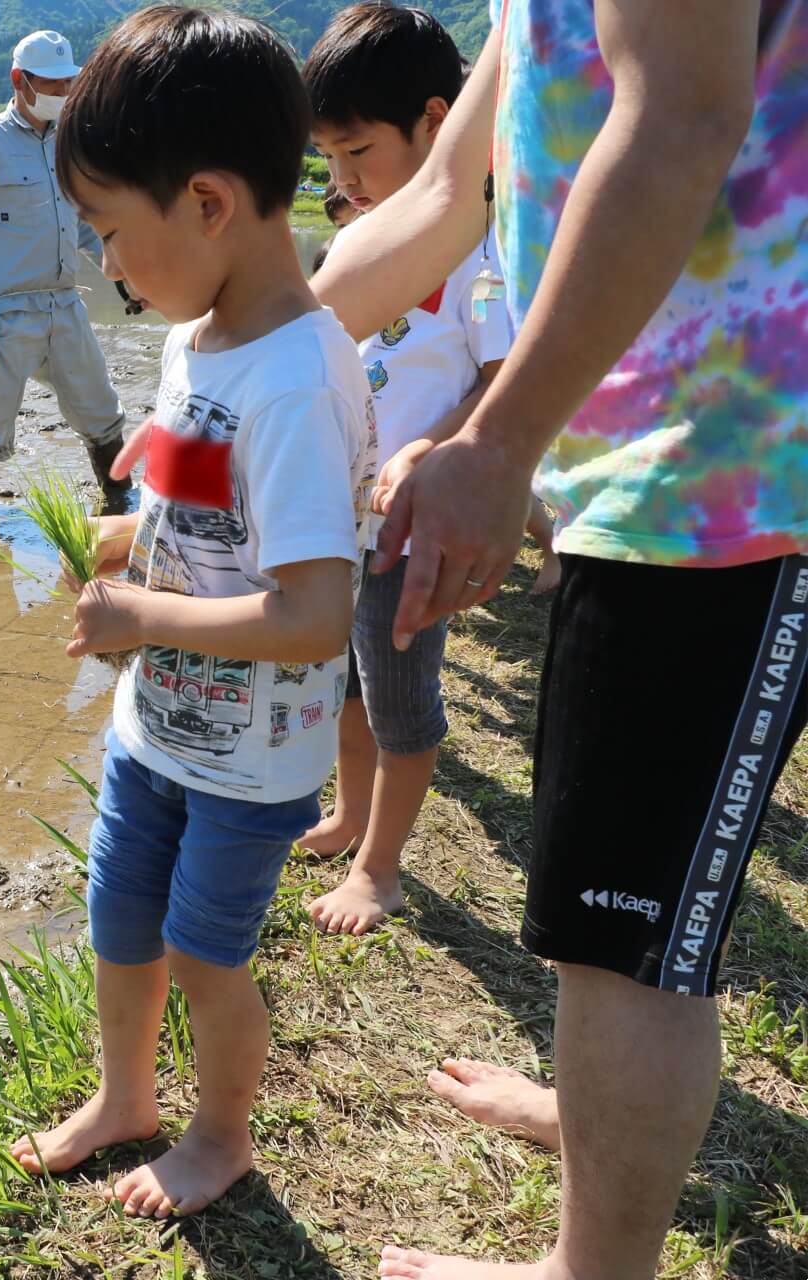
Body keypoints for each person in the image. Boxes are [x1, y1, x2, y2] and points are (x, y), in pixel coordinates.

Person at [311, 2, 806, 1277]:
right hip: (652, 469)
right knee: (608, 896)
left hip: (723, 477)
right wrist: (225, 376)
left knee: (625, 931)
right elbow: (441, 192)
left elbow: (684, 116)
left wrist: (497, 439)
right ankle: (597, 1120)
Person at [6, 6, 376, 1217]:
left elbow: (316, 611)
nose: (107, 264)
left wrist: (146, 619)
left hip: (250, 757)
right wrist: (117, 541)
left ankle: (222, 1134)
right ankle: (126, 1097)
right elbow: (193, 509)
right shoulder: (198, 340)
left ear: (208, 203)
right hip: (157, 728)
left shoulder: (298, 381)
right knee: (122, 917)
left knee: (209, 954)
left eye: (112, 231)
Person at [296, 4, 518, 936]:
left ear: (437, 123)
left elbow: (505, 377)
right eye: (330, 163)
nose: (344, 182)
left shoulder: (483, 253)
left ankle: (382, 870)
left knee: (399, 698)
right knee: (344, 678)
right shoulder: (359, 244)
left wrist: (444, 446)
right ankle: (351, 816)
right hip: (344, 513)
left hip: (406, 527)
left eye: (359, 153)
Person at [0, 28, 131, 514]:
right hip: (7, 313)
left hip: (65, 303)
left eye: (68, 83)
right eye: (52, 85)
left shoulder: (69, 144)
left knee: (102, 412)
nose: (63, 94)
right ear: (20, 80)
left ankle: (122, 506)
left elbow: (82, 228)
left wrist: (121, 273)